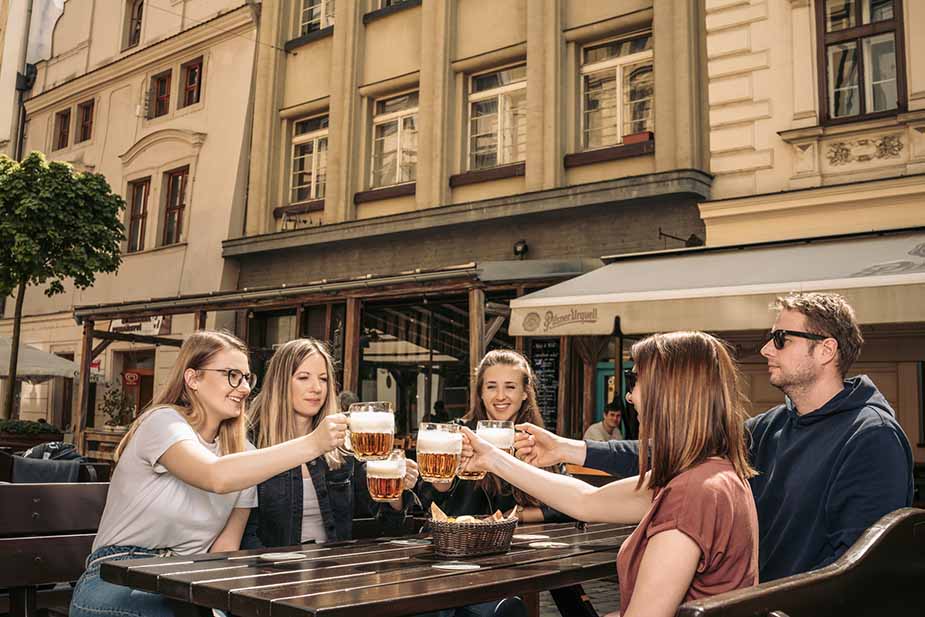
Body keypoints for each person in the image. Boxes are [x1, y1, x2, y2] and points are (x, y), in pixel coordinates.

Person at [515, 292, 915, 582]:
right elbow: (678, 451)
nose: (764, 349)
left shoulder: (871, 437)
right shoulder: (774, 425)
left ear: (826, 350)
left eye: (780, 339)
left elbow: (857, 570)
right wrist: (569, 448)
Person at [462, 332, 759, 617]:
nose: (629, 397)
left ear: (669, 392)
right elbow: (587, 501)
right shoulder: (711, 474)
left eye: (636, 380)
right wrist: (496, 458)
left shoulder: (691, 494)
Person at [70, 330, 348, 617]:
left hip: (187, 583)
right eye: (231, 375)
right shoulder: (163, 422)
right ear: (193, 379)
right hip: (119, 574)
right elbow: (215, 476)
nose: (243, 388)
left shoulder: (242, 453)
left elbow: (225, 548)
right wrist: (314, 443)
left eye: (246, 378)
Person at [417, 349, 570, 617]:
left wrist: (517, 515)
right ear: (480, 392)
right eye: (491, 387)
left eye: (510, 386)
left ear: (525, 393)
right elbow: (428, 498)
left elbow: (567, 502)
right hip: (456, 560)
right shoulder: (458, 433)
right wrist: (445, 477)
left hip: (513, 559)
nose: (500, 396)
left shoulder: (533, 440)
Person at [242, 339, 418, 548]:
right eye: (303, 377)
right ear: (280, 382)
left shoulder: (342, 446)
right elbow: (244, 535)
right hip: (272, 573)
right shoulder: (251, 442)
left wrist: (396, 488)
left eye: (323, 379)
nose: (316, 388)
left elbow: (389, 525)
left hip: (331, 571)